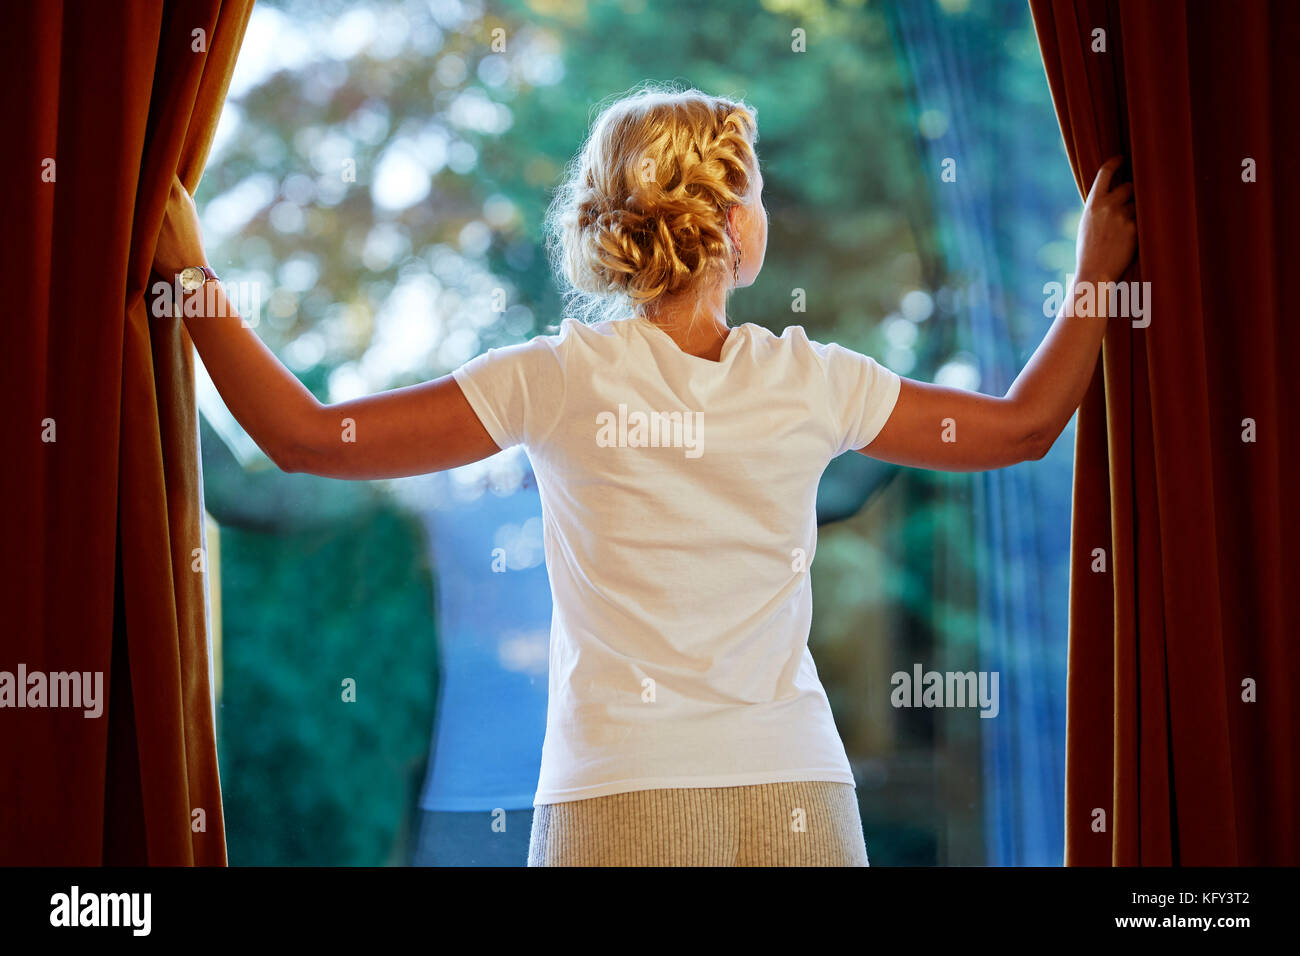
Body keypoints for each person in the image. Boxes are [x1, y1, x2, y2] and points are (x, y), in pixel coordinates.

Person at [154, 85, 1136, 866]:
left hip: (620, 797)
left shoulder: (557, 376)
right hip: (796, 794)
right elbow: (1020, 428)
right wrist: (1094, 267)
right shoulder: (814, 381)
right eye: (752, 188)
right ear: (727, 221)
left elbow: (309, 438)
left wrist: (193, 273)